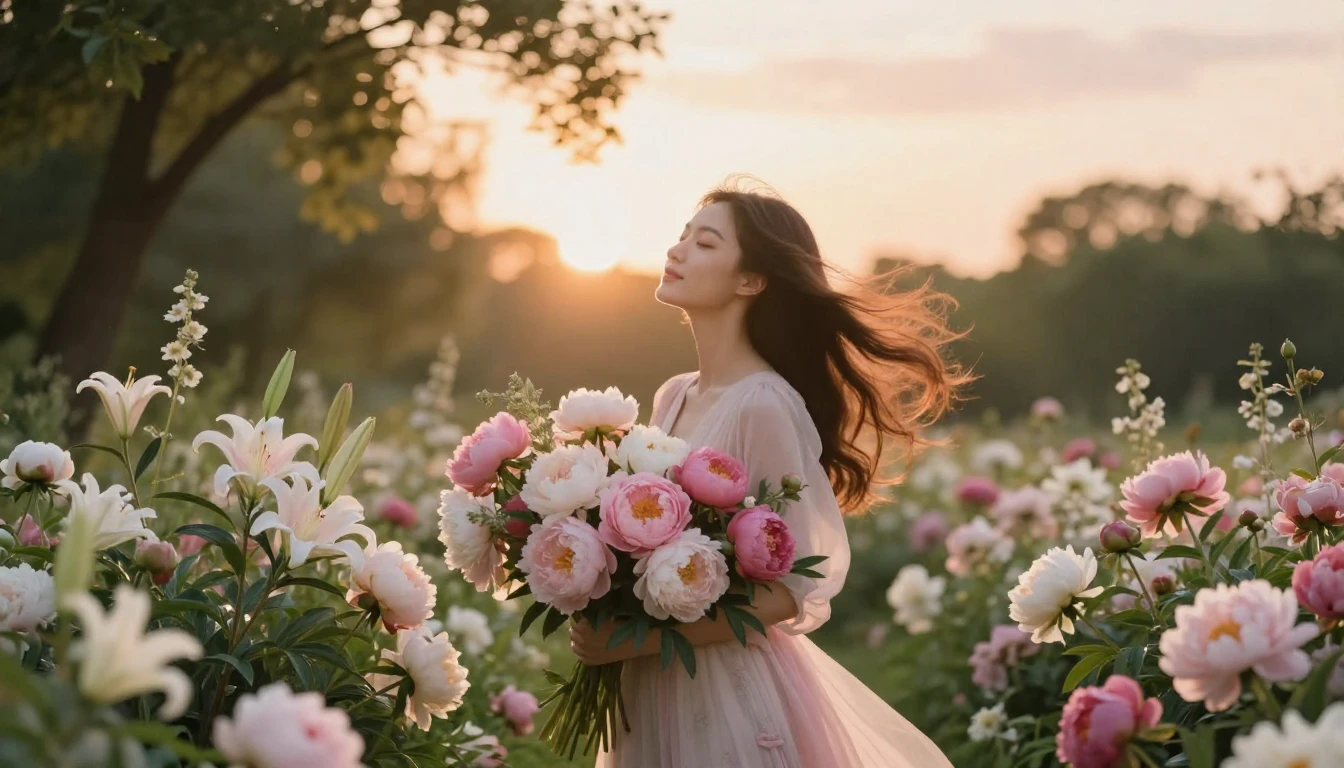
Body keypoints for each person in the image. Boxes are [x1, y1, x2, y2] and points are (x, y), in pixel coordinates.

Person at [569, 180, 969, 767]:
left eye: (704, 243)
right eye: (681, 236)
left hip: (725, 690)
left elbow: (789, 591)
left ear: (751, 280)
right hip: (649, 690)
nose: (676, 250)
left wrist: (639, 639)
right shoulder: (673, 396)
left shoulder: (763, 404)